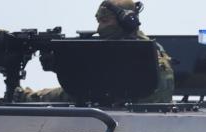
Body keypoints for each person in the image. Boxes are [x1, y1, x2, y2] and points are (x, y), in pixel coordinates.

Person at [17, 0, 174, 104]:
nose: (100, 28)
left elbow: (106, 88)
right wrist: (63, 66)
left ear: (127, 22)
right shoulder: (119, 48)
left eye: (105, 21)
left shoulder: (145, 54)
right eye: (99, 21)